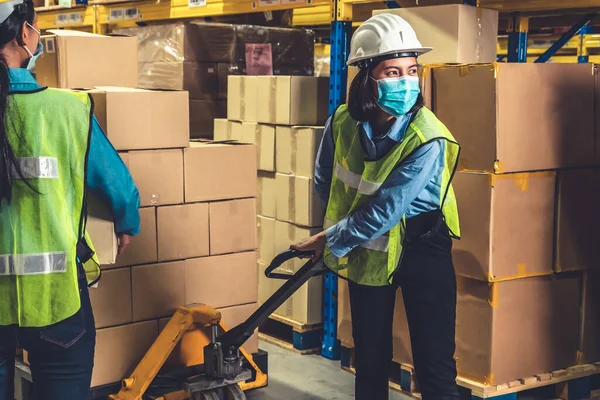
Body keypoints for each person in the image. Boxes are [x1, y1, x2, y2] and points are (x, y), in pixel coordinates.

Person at [291, 13, 461, 400]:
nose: (406, 81)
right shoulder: (341, 122)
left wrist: (329, 238)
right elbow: (325, 182)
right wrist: (339, 235)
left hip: (423, 246)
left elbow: (387, 208)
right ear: (366, 76)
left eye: (412, 70)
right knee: (369, 359)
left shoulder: (428, 137)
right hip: (369, 248)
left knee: (434, 366)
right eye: (392, 71)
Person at [0, 0, 140, 398]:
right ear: (25, 34)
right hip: (56, 299)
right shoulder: (68, 109)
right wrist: (125, 224)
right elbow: (119, 188)